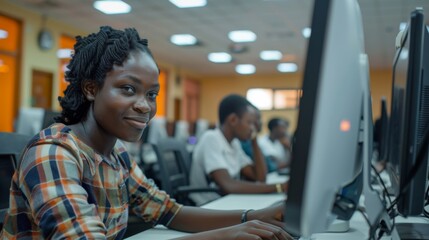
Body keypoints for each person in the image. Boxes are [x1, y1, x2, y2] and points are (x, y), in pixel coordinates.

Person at [0, 26, 292, 240]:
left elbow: (170, 212)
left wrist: (251, 217)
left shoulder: (116, 156)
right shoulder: (53, 153)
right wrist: (225, 236)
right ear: (91, 88)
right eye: (128, 89)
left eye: (151, 94)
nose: (144, 106)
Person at [189, 94, 288, 206]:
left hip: (226, 202)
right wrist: (279, 187)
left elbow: (260, 178)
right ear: (233, 120)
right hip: (206, 206)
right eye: (249, 122)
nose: (253, 128)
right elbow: (228, 185)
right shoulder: (211, 138)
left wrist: (254, 140)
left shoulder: (234, 143)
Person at [240, 107, 278, 172]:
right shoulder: (244, 143)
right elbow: (268, 168)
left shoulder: (250, 141)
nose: (261, 122)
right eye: (258, 119)